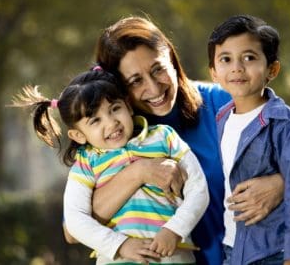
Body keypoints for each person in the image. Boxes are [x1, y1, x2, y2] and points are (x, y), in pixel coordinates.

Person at [68, 16, 290, 264]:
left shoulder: (226, 100)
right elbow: (72, 230)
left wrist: (280, 183)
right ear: (120, 89)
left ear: (172, 60)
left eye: (158, 69)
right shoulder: (114, 140)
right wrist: (139, 172)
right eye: (136, 80)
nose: (153, 88)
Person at [13, 67, 210, 264]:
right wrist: (120, 245)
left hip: (173, 257)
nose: (111, 123)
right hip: (117, 260)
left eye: (115, 109)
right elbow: (75, 220)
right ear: (78, 135)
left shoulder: (164, 137)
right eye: (95, 120)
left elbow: (198, 187)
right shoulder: (86, 162)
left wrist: (175, 230)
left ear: (128, 106)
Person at [208, 14, 290, 264]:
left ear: (272, 69)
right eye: (226, 59)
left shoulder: (286, 124)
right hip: (232, 250)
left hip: (276, 252)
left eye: (249, 57)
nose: (237, 67)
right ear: (213, 72)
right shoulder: (221, 119)